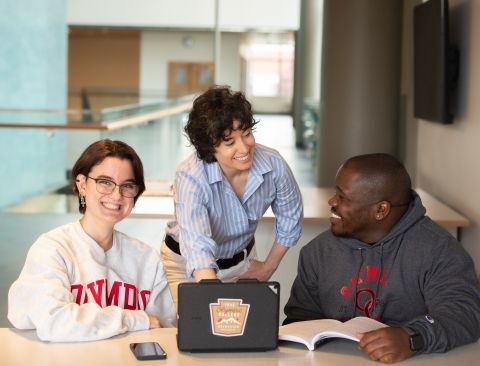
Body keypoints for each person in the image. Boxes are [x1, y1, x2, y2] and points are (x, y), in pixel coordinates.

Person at [284, 153, 480, 363]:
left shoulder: (439, 249)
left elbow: (465, 313)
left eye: (343, 197)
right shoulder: (317, 251)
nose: (331, 201)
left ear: (380, 210)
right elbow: (300, 317)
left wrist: (412, 338)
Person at [8, 139, 177, 342]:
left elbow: (162, 330)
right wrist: (133, 319)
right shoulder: (53, 249)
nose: (116, 195)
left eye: (127, 186)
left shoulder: (147, 260)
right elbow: (55, 322)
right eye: (105, 182)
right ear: (81, 185)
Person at [161, 85, 303, 305]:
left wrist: (267, 268)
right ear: (209, 147)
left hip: (241, 263)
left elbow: (290, 217)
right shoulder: (191, 176)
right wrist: (212, 300)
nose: (244, 148)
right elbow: (198, 248)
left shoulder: (273, 164)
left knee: (247, 334)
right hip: (188, 267)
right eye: (229, 142)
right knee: (198, 333)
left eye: (246, 134)